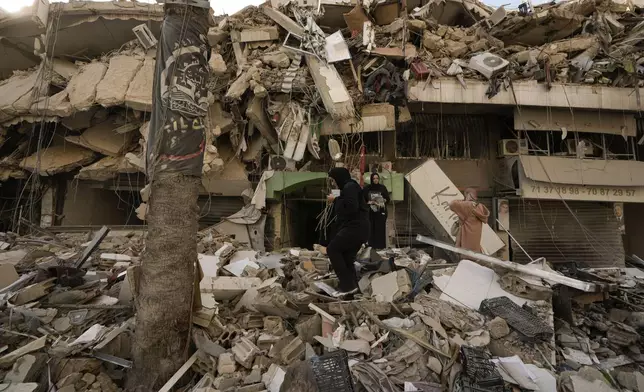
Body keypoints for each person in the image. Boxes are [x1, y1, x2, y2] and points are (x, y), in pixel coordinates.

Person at [326, 167, 370, 295]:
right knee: (346, 258)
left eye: (333, 180)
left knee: (332, 249)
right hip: (359, 228)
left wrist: (335, 200)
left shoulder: (349, 186)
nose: (333, 183)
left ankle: (347, 286)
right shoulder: (349, 187)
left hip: (355, 227)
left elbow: (351, 206)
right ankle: (353, 289)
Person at [449, 188, 489, 253]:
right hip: (475, 241)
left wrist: (463, 200)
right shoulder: (480, 207)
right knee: (474, 256)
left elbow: (452, 204)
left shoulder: (466, 205)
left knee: (465, 257)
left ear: (468, 194)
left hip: (465, 240)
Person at [363, 172, 390, 249]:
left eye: (377, 178)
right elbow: (363, 200)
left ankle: (380, 246)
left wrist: (383, 200)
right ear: (371, 179)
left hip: (380, 212)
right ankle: (371, 246)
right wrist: (369, 202)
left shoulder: (382, 188)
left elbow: (388, 199)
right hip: (370, 213)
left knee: (380, 229)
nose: (375, 180)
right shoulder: (367, 188)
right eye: (374, 178)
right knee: (370, 229)